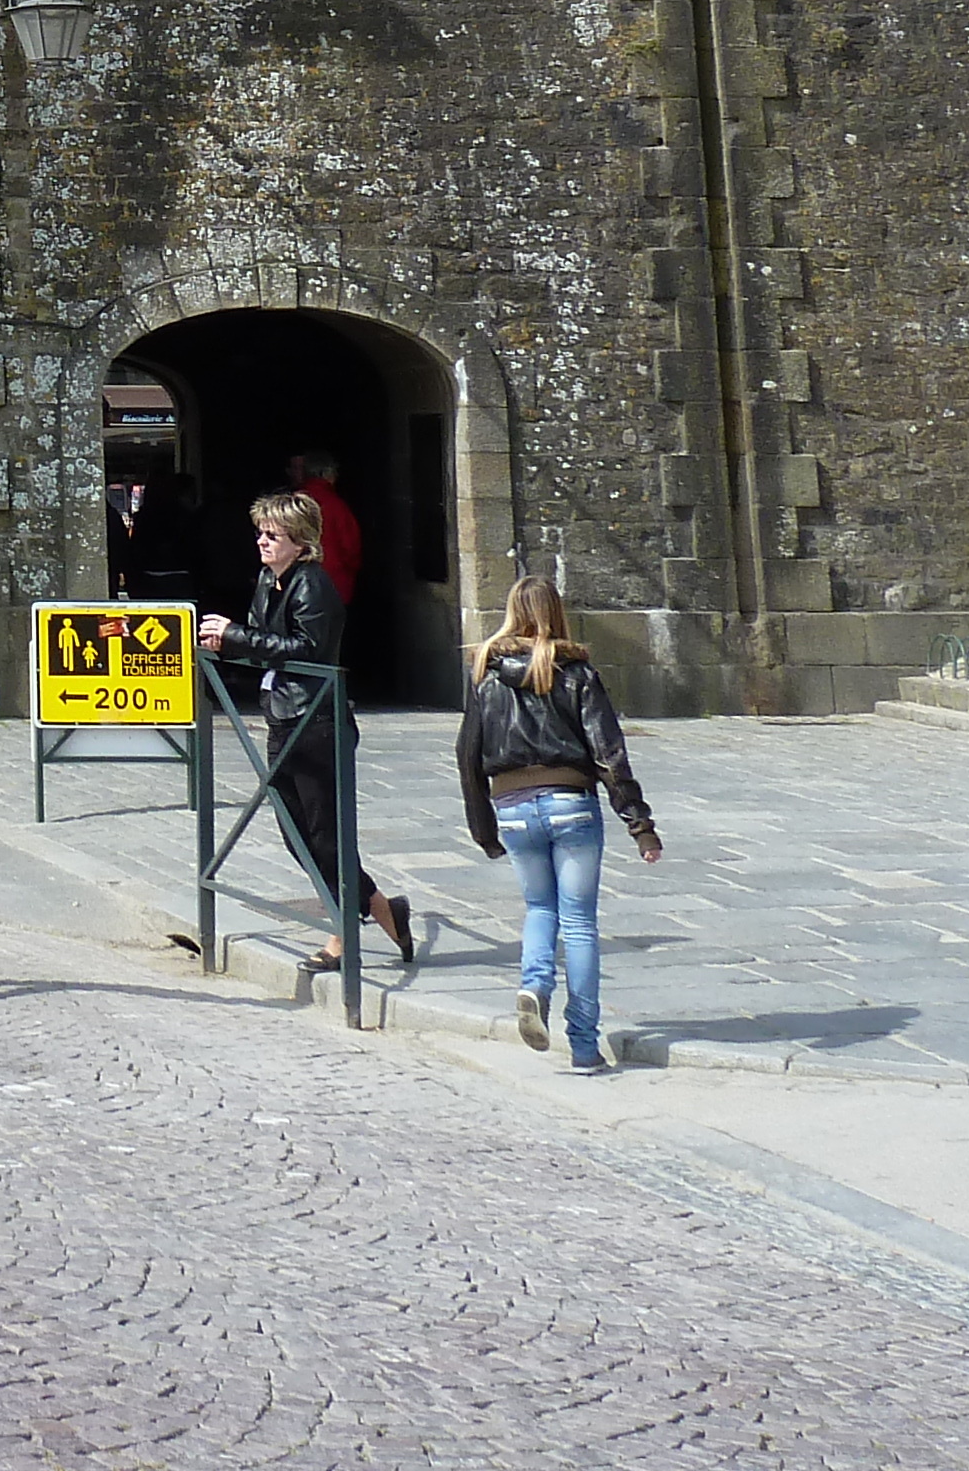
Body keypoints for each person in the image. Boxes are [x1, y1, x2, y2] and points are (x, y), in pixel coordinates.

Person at [457, 577, 665, 1073]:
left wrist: (483, 826)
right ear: (556, 612)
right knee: (578, 922)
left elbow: (467, 752)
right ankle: (585, 1046)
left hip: (511, 806)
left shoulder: (485, 673)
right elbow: (609, 753)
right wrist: (640, 826)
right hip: (570, 802)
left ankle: (534, 985)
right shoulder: (576, 671)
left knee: (538, 909)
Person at [202, 492, 413, 973]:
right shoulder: (267, 580)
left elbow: (307, 649)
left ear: (300, 542)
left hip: (315, 721)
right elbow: (265, 644)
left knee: (325, 835)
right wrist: (228, 643)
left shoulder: (313, 585)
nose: (262, 541)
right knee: (296, 832)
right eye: (260, 532)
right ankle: (384, 909)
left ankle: (342, 937)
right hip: (282, 714)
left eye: (272, 535)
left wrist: (235, 635)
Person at [285, 450, 363, 605]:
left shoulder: (290, 504)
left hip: (295, 582)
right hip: (333, 582)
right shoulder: (337, 505)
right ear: (326, 473)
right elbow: (351, 550)